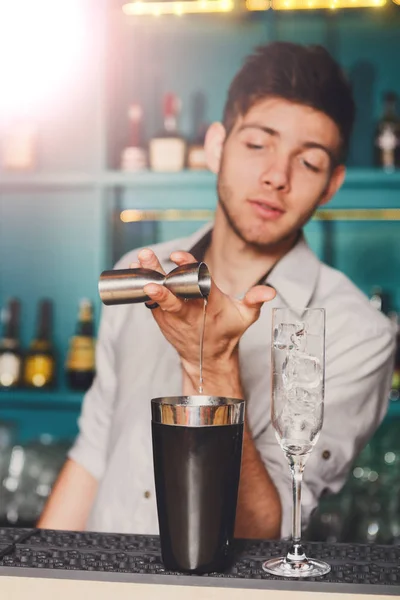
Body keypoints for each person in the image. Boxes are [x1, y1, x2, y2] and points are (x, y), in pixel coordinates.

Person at [38, 42, 396, 539]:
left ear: (332, 184)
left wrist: (215, 363)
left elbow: (266, 530)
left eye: (309, 162)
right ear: (216, 146)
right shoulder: (140, 274)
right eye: (257, 145)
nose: (277, 176)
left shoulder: (358, 334)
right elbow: (94, 452)